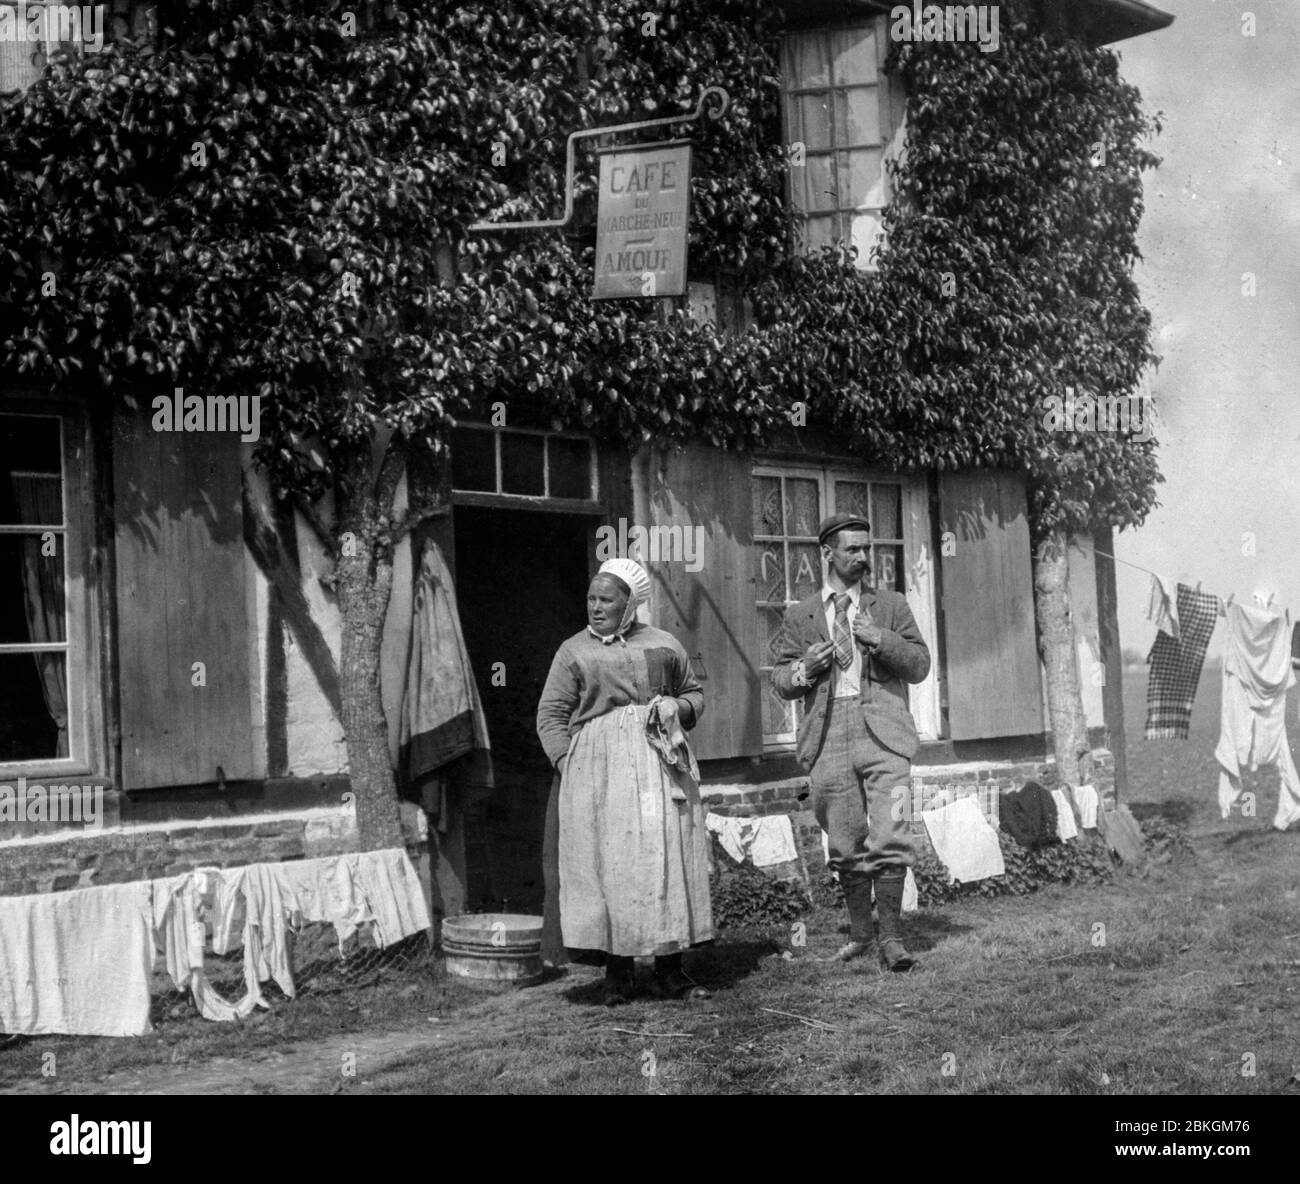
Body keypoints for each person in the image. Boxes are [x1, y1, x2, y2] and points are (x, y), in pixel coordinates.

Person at [536, 557, 713, 1004]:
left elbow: (694, 693)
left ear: (629, 604)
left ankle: (670, 971)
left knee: (663, 856)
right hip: (600, 771)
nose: (596, 607)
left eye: (606, 600)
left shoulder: (665, 644)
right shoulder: (573, 650)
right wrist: (568, 764)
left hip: (660, 762)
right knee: (611, 865)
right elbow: (551, 715)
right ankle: (619, 973)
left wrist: (680, 707)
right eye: (591, 599)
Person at [770, 513, 931, 971]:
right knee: (843, 840)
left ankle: (893, 939)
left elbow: (919, 665)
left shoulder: (892, 605)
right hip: (828, 732)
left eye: (867, 548)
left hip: (884, 731)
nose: (863, 557)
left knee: (891, 831)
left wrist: (881, 639)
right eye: (852, 549)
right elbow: (781, 680)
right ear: (828, 554)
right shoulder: (800, 614)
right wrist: (806, 667)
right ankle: (861, 934)